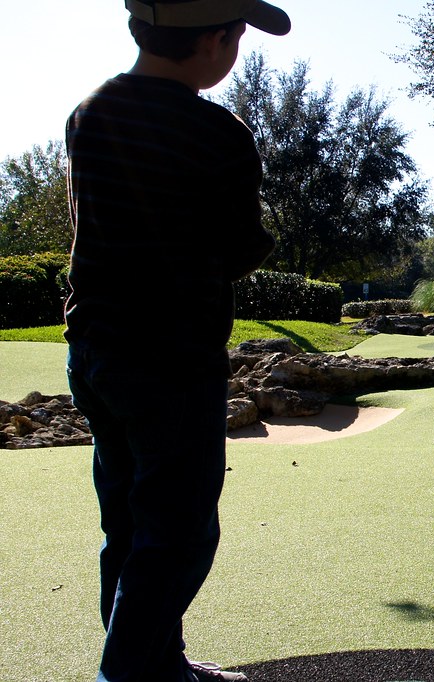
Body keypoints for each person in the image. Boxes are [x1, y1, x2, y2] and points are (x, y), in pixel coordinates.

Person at [64, 2, 290, 680]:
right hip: (172, 355)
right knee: (181, 536)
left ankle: (163, 669)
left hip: (96, 349)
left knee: (130, 528)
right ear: (214, 39)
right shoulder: (217, 132)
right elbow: (239, 248)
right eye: (239, 37)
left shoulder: (91, 111)